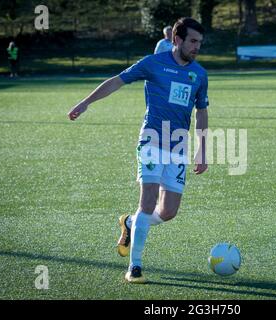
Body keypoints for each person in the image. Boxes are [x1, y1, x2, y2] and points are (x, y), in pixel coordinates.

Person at [67, 17, 209, 284]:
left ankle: (131, 223)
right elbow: (117, 80)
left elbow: (201, 112)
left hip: (178, 146)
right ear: (177, 40)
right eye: (192, 41)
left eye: (200, 42)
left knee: (168, 212)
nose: (196, 47)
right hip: (152, 140)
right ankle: (135, 266)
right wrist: (86, 102)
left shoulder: (199, 74)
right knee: (147, 201)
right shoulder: (153, 63)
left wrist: (202, 150)